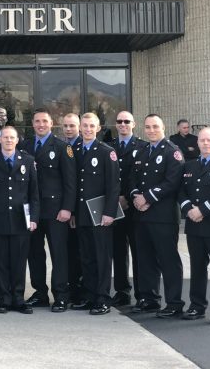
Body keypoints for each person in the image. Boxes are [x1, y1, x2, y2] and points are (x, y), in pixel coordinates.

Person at [129, 114, 185, 318]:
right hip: (142, 216)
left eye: (155, 126)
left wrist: (147, 198)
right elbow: (133, 178)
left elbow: (172, 182)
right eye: (148, 127)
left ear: (163, 127)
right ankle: (150, 299)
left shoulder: (172, 152)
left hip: (162, 216)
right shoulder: (142, 151)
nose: (151, 130)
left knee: (168, 260)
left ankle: (174, 303)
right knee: (145, 259)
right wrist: (136, 196)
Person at [22, 109, 76, 312]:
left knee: (59, 254)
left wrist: (67, 208)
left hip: (56, 211)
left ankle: (61, 295)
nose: (41, 124)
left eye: (45, 121)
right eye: (37, 121)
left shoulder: (62, 147)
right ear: (33, 124)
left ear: (51, 123)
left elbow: (70, 182)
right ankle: (40, 293)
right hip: (33, 211)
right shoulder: (25, 146)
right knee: (34, 254)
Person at [0, 126, 38, 313]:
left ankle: (18, 299)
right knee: (1, 262)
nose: (8, 140)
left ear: (17, 140)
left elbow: (34, 194)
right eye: (5, 137)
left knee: (19, 261)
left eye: (11, 137)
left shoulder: (28, 161)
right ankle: (4, 300)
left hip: (21, 220)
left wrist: (34, 218)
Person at [69, 112, 120, 315]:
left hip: (101, 215)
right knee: (86, 257)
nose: (88, 129)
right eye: (85, 125)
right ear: (79, 128)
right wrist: (73, 212)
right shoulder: (74, 150)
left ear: (98, 128)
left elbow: (114, 186)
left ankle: (102, 298)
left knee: (102, 258)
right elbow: (73, 185)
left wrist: (109, 213)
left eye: (92, 126)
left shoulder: (106, 151)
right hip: (82, 214)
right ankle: (89, 296)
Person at [179, 127, 210, 324]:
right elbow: (181, 191)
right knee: (197, 268)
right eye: (202, 140)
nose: (205, 143)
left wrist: (202, 210)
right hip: (194, 226)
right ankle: (197, 306)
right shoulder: (189, 166)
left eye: (209, 140)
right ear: (197, 143)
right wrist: (188, 209)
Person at [109, 110, 147, 306]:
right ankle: (122, 291)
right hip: (116, 206)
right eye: (119, 121)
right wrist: (116, 199)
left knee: (138, 251)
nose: (123, 124)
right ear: (115, 125)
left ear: (133, 124)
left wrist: (129, 197)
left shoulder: (142, 147)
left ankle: (142, 293)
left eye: (126, 121)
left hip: (135, 207)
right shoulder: (109, 147)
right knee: (118, 251)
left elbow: (143, 178)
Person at [63, 112, 84, 301]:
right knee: (69, 252)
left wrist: (73, 211)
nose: (69, 129)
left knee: (80, 253)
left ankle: (79, 291)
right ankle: (72, 288)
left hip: (79, 211)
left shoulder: (81, 147)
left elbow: (77, 184)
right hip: (66, 210)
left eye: (72, 125)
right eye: (66, 126)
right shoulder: (63, 146)